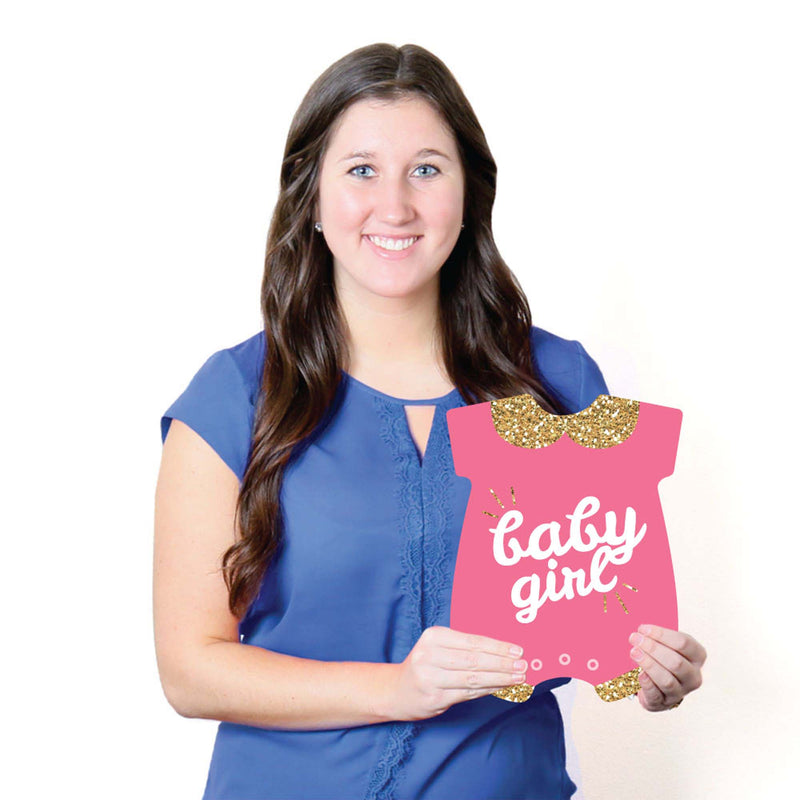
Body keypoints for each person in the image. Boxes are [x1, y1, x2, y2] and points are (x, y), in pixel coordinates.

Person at [154, 42, 707, 800]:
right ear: (310, 196)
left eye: (426, 169)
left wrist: (648, 668)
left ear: (470, 193)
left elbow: (600, 622)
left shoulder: (560, 383)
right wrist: (397, 688)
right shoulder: (234, 397)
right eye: (361, 170)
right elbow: (190, 670)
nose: (395, 207)